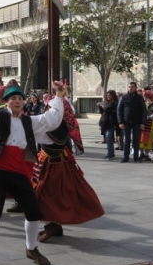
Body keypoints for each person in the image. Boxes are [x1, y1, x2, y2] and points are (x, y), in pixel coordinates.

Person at [0, 72, 66, 265]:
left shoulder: (29, 121)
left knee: (33, 212)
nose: (18, 101)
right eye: (13, 98)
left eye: (21, 98)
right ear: (6, 101)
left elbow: (52, 120)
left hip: (19, 172)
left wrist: (58, 95)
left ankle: (31, 249)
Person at [32, 95, 104, 242]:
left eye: (49, 107)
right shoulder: (58, 125)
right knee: (52, 194)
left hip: (53, 165)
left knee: (47, 195)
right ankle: (54, 225)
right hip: (55, 161)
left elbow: (35, 134)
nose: (46, 109)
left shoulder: (54, 127)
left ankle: (52, 224)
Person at [116, 82, 147, 163]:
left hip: (137, 122)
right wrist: (120, 122)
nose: (130, 88)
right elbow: (119, 110)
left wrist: (143, 122)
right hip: (126, 122)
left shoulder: (139, 98)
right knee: (126, 140)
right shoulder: (124, 97)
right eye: (129, 87)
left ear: (135, 88)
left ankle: (136, 157)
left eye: (132, 87)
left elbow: (144, 110)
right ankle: (126, 156)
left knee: (136, 140)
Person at [139, 89, 153, 161]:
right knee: (141, 139)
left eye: (145, 96)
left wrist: (149, 116)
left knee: (148, 139)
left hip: (151, 123)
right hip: (143, 123)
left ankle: (147, 154)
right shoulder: (143, 103)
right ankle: (141, 153)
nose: (144, 97)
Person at [99, 90, 119, 160]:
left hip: (111, 123)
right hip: (105, 122)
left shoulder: (115, 103)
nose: (108, 96)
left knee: (108, 137)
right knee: (107, 139)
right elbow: (102, 112)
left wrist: (107, 109)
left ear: (113, 96)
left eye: (109, 95)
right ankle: (110, 153)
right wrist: (100, 107)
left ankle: (110, 154)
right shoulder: (106, 103)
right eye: (107, 95)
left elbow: (115, 113)